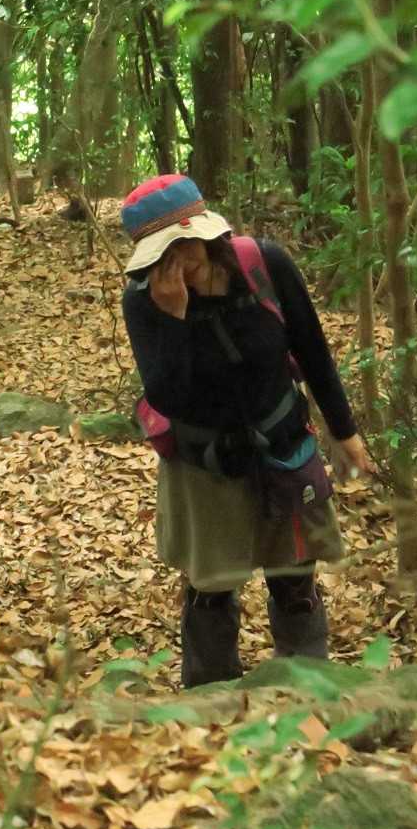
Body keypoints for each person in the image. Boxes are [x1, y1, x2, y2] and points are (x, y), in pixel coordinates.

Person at [118, 174, 375, 687]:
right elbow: (169, 397)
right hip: (204, 465)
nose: (178, 262)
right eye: (162, 254)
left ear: (206, 233)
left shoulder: (263, 263)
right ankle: (210, 699)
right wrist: (174, 319)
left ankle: (306, 691)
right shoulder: (143, 301)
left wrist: (344, 431)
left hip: (283, 446)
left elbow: (312, 347)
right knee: (211, 589)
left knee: (295, 580)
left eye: (184, 246)